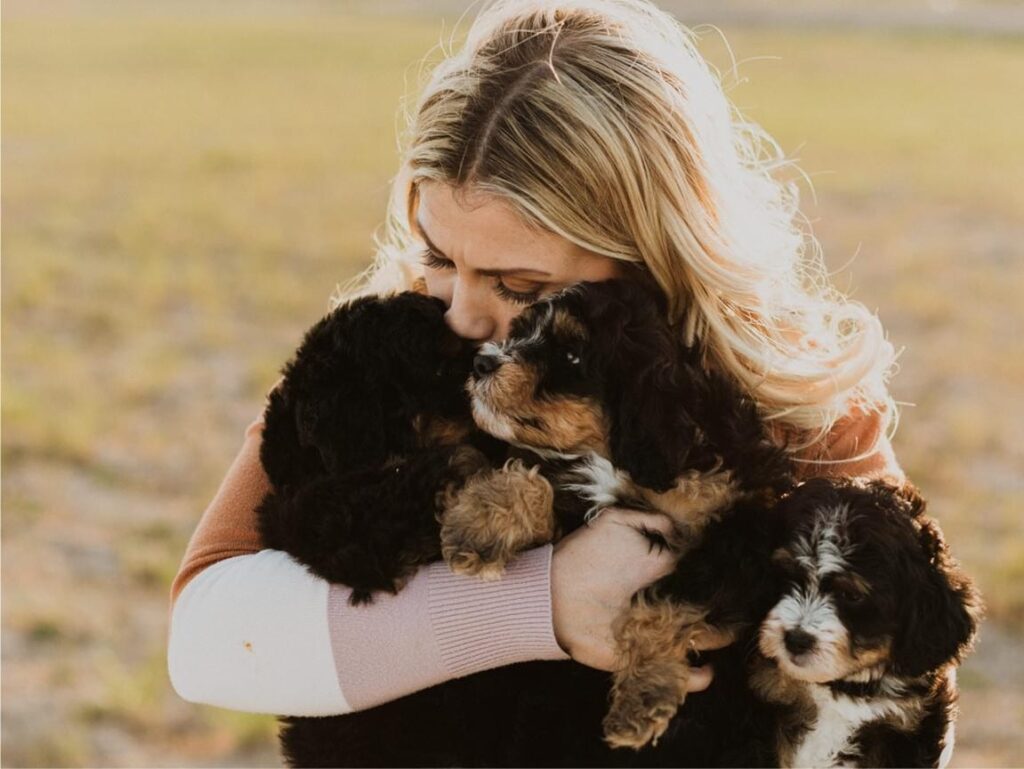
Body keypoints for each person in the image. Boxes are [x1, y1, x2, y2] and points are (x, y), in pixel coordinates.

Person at [168, 0, 903, 724]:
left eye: (520, 286)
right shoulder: (386, 364)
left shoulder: (795, 398)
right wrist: (540, 601)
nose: (462, 317)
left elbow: (907, 686)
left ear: (654, 258)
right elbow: (203, 640)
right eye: (439, 257)